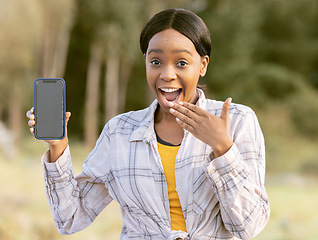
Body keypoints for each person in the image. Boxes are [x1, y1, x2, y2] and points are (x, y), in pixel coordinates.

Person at [27, 8, 270, 240]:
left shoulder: (237, 121)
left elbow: (248, 227)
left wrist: (223, 147)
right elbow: (70, 218)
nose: (167, 74)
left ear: (203, 65)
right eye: (156, 62)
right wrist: (57, 147)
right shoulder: (119, 132)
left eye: (181, 63)